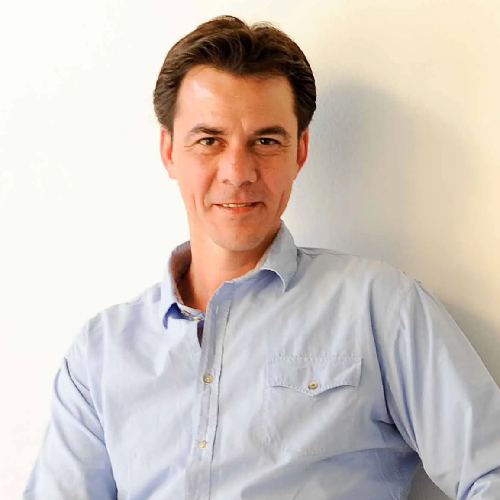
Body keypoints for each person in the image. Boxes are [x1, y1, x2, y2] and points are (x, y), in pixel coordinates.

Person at [23, 15, 500, 500]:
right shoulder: (101, 354)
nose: (238, 171)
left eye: (266, 141)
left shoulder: (380, 309)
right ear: (169, 151)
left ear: (300, 151)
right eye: (209, 140)